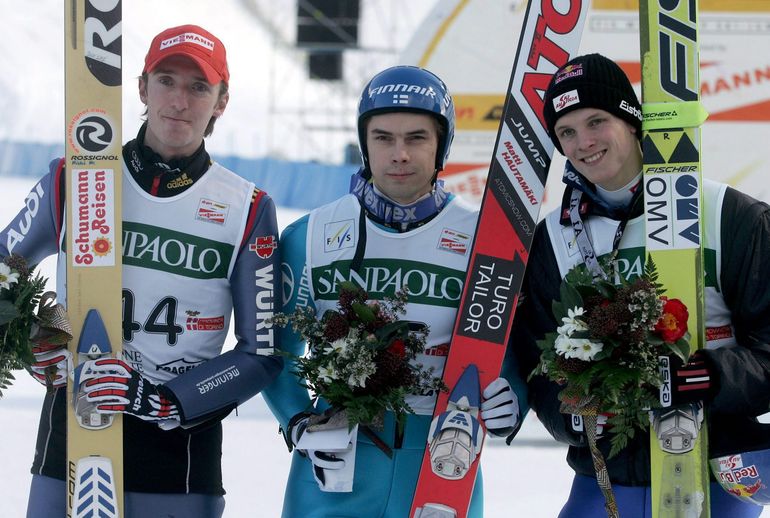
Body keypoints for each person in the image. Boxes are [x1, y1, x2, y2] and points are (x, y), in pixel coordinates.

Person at [0, 24, 282, 518]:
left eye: (199, 87)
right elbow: (4, 268)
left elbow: (262, 352)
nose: (179, 100)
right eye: (167, 80)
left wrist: (168, 401)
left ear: (221, 102)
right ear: (141, 88)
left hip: (177, 449)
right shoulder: (76, 177)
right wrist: (31, 338)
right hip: (75, 420)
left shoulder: (246, 207)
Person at [510, 52, 770, 517]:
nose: (583, 143)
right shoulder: (553, 239)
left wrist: (714, 376)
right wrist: (573, 413)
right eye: (566, 132)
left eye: (596, 121)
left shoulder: (728, 215)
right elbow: (538, 362)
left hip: (716, 472)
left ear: (631, 121)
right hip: (607, 477)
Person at [262, 65, 525, 517]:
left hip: (442, 457)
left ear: (442, 144)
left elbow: (506, 349)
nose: (399, 154)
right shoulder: (310, 235)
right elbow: (276, 351)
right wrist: (299, 420)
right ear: (365, 144)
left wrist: (513, 397)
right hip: (334, 462)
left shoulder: (484, 240)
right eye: (383, 137)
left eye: (416, 138)